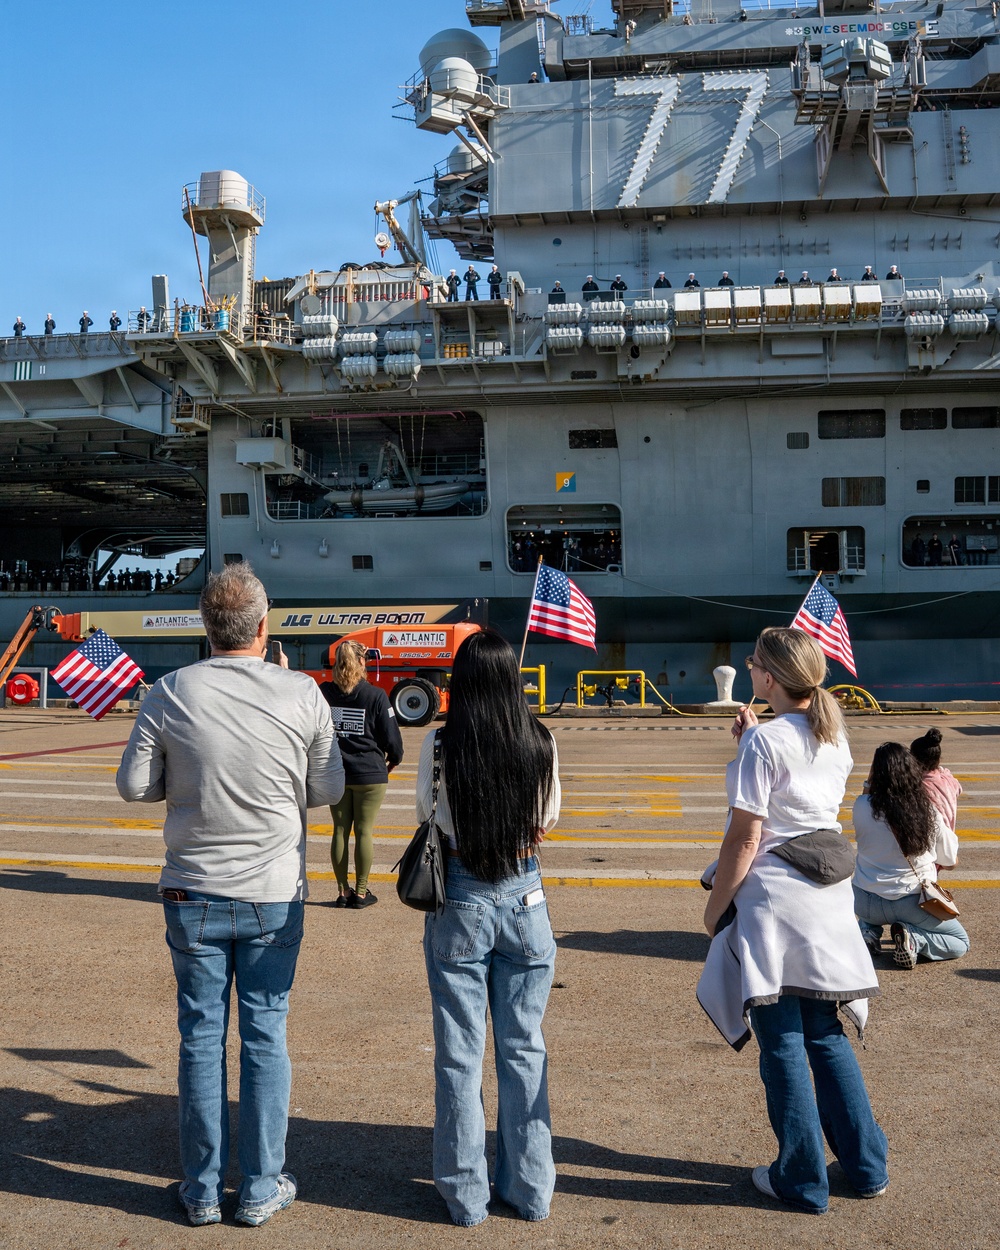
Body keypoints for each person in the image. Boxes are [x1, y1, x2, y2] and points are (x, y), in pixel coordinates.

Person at [116, 562, 345, 1228]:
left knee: (200, 1039)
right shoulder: (302, 692)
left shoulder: (168, 692)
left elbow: (134, 786)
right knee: (267, 1036)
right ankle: (260, 1188)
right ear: (264, 625)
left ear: (205, 626)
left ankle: (200, 1191)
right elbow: (327, 789)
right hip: (274, 892)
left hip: (192, 890)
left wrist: (177, 783)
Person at [697, 627, 887, 1215]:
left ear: (767, 678)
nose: (749, 669)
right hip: (828, 896)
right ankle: (865, 1166)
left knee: (779, 1040)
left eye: (753, 663)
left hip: (776, 901)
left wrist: (713, 908)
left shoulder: (764, 745)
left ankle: (801, 1179)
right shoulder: (834, 734)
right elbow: (803, 802)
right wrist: (756, 739)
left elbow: (747, 836)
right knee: (825, 1033)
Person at [417, 629, 561, 1227]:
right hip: (525, 898)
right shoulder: (542, 741)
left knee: (459, 1054)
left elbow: (428, 814)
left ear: (461, 682)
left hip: (462, 899)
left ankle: (464, 1195)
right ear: (513, 681)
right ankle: (531, 1191)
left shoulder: (441, 744)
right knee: (524, 1049)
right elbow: (548, 817)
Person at [852, 742, 968, 968]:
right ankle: (914, 939)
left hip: (865, 902)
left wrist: (870, 780)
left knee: (872, 881)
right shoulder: (928, 811)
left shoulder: (861, 806)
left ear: (876, 774)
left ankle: (868, 933)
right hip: (911, 903)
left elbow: (867, 794)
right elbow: (950, 862)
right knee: (959, 942)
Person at [319, 639, 403, 908]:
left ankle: (342, 892)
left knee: (340, 831)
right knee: (364, 832)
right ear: (361, 663)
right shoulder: (375, 695)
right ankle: (362, 892)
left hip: (337, 773)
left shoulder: (324, 693)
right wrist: (394, 761)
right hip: (369, 774)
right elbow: (392, 740)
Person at [910, 727, 962, 832]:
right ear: (938, 759)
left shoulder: (916, 786)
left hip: (929, 843)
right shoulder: (948, 780)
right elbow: (958, 788)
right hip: (949, 842)